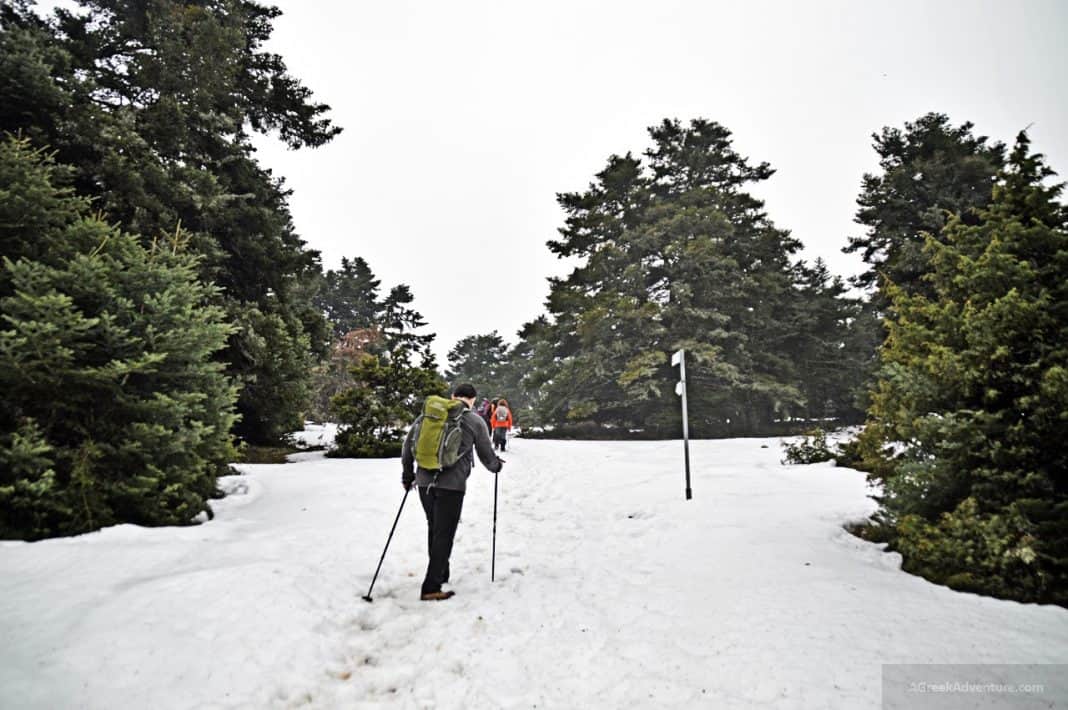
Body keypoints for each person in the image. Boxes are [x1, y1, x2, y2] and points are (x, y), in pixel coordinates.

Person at [401, 383, 503, 601]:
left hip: (424, 481)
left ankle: (441, 571)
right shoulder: (474, 420)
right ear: (473, 399)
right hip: (452, 485)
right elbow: (486, 453)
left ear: (453, 396)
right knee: (444, 534)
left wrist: (407, 476)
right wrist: (496, 466)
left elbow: (408, 446)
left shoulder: (428, 417)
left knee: (434, 528)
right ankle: (431, 586)